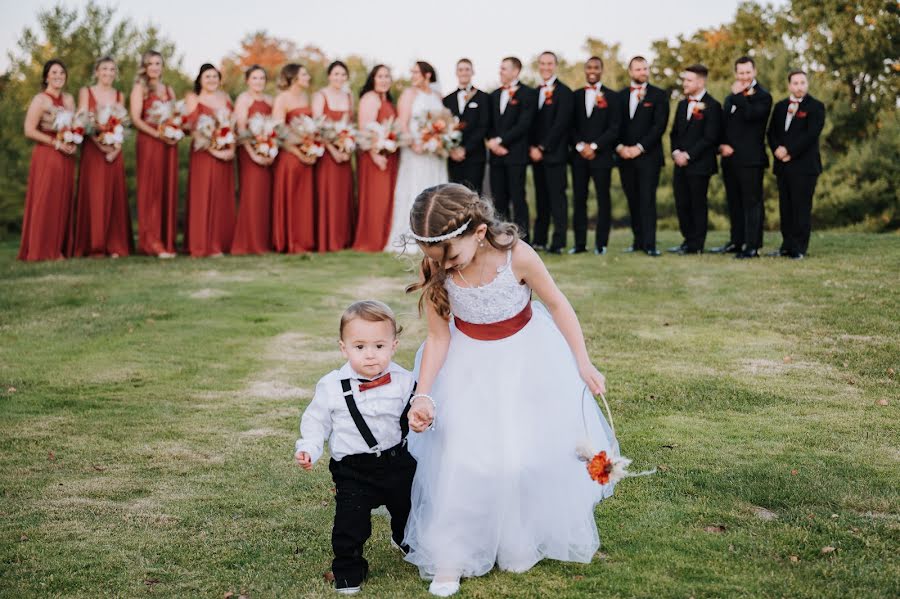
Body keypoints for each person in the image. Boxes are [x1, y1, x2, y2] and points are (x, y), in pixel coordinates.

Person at [402, 183, 620, 597]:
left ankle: (516, 539)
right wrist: (424, 393)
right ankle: (451, 556)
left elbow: (557, 303)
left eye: (450, 255)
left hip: (526, 359)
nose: (442, 265)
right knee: (464, 460)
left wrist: (583, 361)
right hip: (467, 365)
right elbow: (438, 337)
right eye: (434, 258)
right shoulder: (438, 269)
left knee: (521, 456)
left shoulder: (516, 256)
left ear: (479, 233)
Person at [294, 300, 418, 595]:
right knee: (350, 522)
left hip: (396, 461)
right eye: (359, 347)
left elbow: (417, 411)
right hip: (353, 469)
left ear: (394, 345)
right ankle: (349, 569)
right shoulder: (331, 386)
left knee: (408, 506)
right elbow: (316, 421)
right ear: (343, 348)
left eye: (379, 346)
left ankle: (404, 537)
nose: (371, 355)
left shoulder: (404, 380)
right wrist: (310, 447)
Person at [71, 56, 133, 258]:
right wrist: (102, 145)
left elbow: (122, 125)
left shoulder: (119, 95)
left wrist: (115, 149)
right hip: (94, 151)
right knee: (94, 195)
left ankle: (114, 244)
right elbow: (83, 123)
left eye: (112, 69)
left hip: (114, 153)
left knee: (114, 196)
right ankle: (94, 245)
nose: (108, 73)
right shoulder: (85, 92)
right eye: (104, 69)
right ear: (96, 71)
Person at [385, 61, 448, 252]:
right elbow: (402, 123)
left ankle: (436, 234)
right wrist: (414, 143)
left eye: (416, 72)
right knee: (415, 186)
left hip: (434, 152)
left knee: (435, 187)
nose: (412, 76)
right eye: (411, 72)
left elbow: (444, 123)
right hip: (415, 151)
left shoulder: (437, 96)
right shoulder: (408, 94)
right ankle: (411, 234)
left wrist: (439, 140)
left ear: (427, 75)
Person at [18, 59, 77, 261]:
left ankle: (58, 247)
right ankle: (42, 249)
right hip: (47, 154)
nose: (58, 76)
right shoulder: (40, 100)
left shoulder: (69, 99)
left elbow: (75, 125)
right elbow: (29, 130)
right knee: (47, 201)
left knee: (63, 200)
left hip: (67, 156)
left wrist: (74, 139)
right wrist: (56, 143)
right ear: (46, 77)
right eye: (54, 72)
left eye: (62, 72)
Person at [713, 56, 772, 256]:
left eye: (748, 72)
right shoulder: (729, 99)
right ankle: (736, 241)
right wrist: (720, 146)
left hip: (751, 160)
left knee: (752, 203)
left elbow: (751, 116)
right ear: (735, 73)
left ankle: (752, 246)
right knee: (734, 202)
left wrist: (738, 95)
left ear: (754, 72)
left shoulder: (763, 96)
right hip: (730, 159)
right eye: (741, 73)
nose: (744, 76)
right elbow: (724, 125)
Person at [766, 70, 825, 260]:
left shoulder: (815, 107)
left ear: (807, 84)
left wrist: (789, 151)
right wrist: (777, 150)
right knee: (786, 207)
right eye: (795, 83)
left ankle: (799, 248)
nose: (799, 87)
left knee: (801, 208)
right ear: (789, 85)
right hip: (783, 166)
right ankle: (787, 245)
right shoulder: (780, 106)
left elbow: (811, 134)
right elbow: (771, 133)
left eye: (802, 83)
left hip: (804, 166)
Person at [617, 56, 669, 256]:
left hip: (648, 157)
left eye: (645, 68)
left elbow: (659, 126)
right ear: (630, 72)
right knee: (632, 199)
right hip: (624, 156)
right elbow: (615, 125)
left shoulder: (659, 95)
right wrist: (620, 147)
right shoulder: (620, 96)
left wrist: (639, 147)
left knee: (647, 200)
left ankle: (650, 244)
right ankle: (637, 241)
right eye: (638, 69)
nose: (642, 72)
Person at [183, 63, 236, 257]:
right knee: (202, 195)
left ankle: (220, 243)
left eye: (215, 76)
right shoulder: (193, 99)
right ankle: (200, 244)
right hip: (203, 154)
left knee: (221, 197)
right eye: (208, 76)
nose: (212, 80)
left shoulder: (226, 98)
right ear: (200, 80)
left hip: (225, 154)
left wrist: (230, 149)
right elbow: (193, 130)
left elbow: (232, 126)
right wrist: (214, 151)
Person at [570, 56, 622, 255]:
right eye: (589, 67)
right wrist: (580, 146)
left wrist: (595, 146)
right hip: (578, 157)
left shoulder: (613, 97)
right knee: (579, 200)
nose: (592, 70)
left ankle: (601, 244)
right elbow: (570, 126)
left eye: (596, 67)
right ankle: (579, 243)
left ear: (602, 70)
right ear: (585, 70)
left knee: (603, 200)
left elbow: (615, 127)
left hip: (602, 157)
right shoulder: (575, 96)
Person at [668, 64, 722, 255]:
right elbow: (674, 133)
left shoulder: (713, 106)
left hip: (700, 164)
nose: (685, 83)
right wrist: (676, 153)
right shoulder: (682, 105)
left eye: (689, 80)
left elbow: (710, 138)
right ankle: (687, 239)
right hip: (679, 163)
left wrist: (688, 155)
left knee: (697, 203)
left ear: (700, 82)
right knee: (682, 203)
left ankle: (697, 244)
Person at [130, 50, 179, 259]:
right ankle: (151, 242)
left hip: (168, 143)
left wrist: (175, 131)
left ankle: (167, 241)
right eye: (150, 64)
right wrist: (158, 134)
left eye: (158, 63)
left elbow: (176, 114)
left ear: (162, 67)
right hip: (150, 142)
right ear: (144, 67)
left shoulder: (168, 89)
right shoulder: (140, 88)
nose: (154, 67)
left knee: (166, 188)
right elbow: (136, 119)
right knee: (151, 189)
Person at [487, 57, 537, 242]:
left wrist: (501, 141)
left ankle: (523, 239)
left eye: (504, 69)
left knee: (518, 198)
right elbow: (489, 123)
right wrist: (493, 143)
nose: (500, 72)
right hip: (496, 156)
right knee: (498, 199)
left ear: (515, 71)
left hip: (516, 154)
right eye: (500, 68)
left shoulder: (528, 94)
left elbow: (524, 124)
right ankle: (500, 238)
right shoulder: (493, 95)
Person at [529, 51, 573, 254]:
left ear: (555, 65)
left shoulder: (564, 92)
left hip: (555, 155)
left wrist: (543, 147)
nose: (546, 67)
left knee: (557, 200)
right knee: (541, 199)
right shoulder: (535, 91)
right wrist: (532, 147)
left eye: (549, 63)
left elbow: (561, 124)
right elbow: (531, 123)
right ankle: (539, 239)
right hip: (536, 157)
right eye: (542, 63)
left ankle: (559, 241)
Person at [352, 65, 399, 252]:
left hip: (389, 156)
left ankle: (384, 238)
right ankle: (371, 241)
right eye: (380, 76)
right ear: (373, 78)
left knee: (387, 198)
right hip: (374, 157)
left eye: (387, 76)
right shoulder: (370, 98)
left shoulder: (387, 99)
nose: (384, 80)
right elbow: (365, 129)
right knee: (376, 198)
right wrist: (374, 154)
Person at [271, 63, 317, 253]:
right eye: (304, 74)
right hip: (290, 156)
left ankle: (303, 241)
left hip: (306, 153)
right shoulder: (282, 99)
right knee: (291, 197)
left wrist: (311, 149)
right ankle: (288, 241)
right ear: (294, 77)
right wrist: (298, 153)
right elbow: (279, 131)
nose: (308, 77)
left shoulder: (305, 97)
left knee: (303, 200)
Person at [232, 65, 275, 255]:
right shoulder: (243, 99)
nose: (259, 82)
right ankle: (249, 242)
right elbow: (241, 130)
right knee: (252, 194)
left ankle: (264, 241)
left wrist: (270, 150)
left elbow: (274, 128)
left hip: (267, 152)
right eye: (255, 78)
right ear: (247, 80)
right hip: (249, 153)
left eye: (262, 78)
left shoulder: (270, 100)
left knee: (266, 196)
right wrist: (253, 153)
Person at [313, 61, 356, 252]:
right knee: (327, 194)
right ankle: (327, 240)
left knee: (342, 196)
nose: (339, 78)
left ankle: (343, 239)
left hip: (345, 155)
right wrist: (333, 150)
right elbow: (316, 128)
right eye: (336, 74)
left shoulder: (349, 96)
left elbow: (351, 126)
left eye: (343, 74)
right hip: (327, 155)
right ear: (329, 76)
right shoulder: (320, 96)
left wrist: (346, 149)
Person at [443, 58, 490, 194]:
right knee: (455, 195)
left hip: (475, 155)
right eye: (460, 69)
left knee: (473, 195)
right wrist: (452, 150)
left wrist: (465, 149)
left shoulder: (483, 97)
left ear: (472, 72)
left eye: (467, 69)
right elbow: (444, 128)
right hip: (453, 157)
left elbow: (483, 126)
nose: (464, 72)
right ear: (456, 73)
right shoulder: (447, 100)